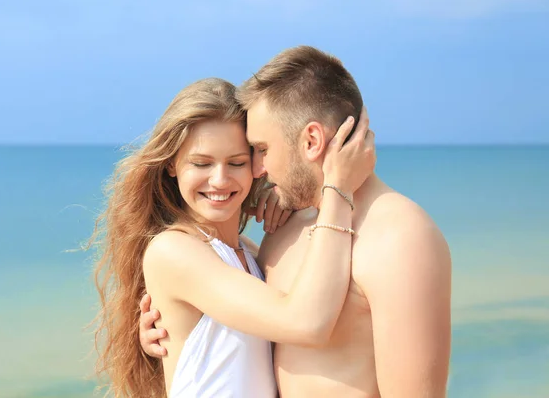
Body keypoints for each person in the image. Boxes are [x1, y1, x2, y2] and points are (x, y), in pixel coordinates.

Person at [140, 46, 452, 397]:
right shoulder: (284, 233)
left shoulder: (399, 237)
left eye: (258, 151)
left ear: (311, 141)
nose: (258, 170)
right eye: (202, 163)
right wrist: (176, 322)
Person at [91, 76, 376, 397]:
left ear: (257, 165)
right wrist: (337, 188)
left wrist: (291, 204)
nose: (220, 179)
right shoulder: (173, 251)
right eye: (201, 163)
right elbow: (307, 324)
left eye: (237, 162)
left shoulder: (250, 256)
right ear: (171, 164)